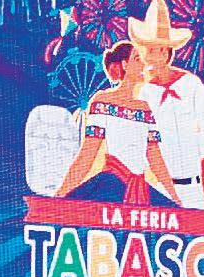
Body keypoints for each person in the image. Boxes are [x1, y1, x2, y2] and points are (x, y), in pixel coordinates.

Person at [55, 41, 181, 205]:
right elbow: (88, 154)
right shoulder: (103, 101)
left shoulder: (144, 108)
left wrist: (174, 196)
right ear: (124, 64)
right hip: (111, 182)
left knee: (171, 211)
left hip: (139, 186)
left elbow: (154, 156)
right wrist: (61, 193)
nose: (143, 64)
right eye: (137, 59)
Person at [130, 0, 204, 209]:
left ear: (166, 52)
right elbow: (138, 141)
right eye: (146, 50)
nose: (148, 57)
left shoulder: (190, 84)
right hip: (159, 188)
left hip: (192, 189)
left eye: (154, 50)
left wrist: (187, 151)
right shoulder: (142, 92)